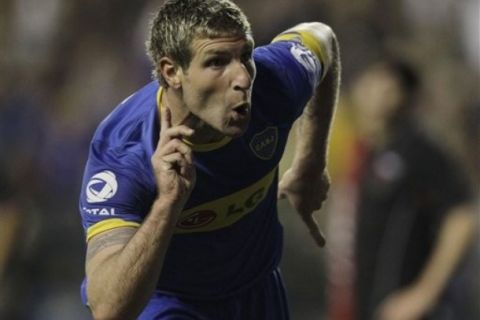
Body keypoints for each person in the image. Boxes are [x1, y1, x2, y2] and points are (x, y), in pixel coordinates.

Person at [78, 0, 340, 319]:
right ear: (172, 71)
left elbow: (322, 38)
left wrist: (309, 164)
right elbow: (108, 307)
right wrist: (167, 204)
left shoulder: (274, 81)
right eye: (217, 62)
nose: (242, 77)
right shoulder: (125, 153)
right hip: (169, 301)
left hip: (256, 291)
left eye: (245, 55)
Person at [350, 60, 477, 320]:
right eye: (373, 82)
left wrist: (424, 293)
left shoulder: (418, 150)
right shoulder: (369, 153)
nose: (377, 92)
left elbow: (461, 217)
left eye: (389, 85)